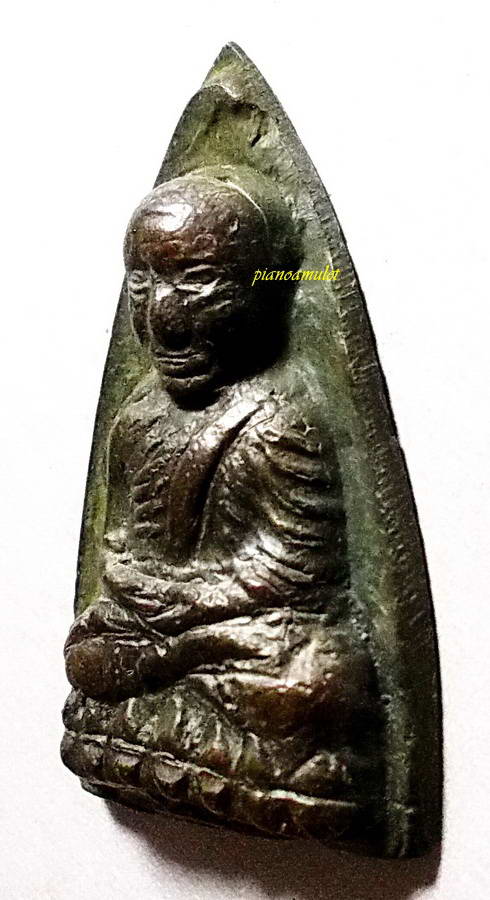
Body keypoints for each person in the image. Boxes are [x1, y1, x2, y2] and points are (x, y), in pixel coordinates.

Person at [62, 165, 380, 836]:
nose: (163, 317)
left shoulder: (279, 420)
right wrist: (149, 606)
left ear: (267, 291)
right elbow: (119, 551)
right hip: (159, 627)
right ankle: (236, 765)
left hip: (239, 638)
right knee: (87, 653)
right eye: (142, 284)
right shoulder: (139, 418)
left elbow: (295, 577)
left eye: (198, 281)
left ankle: (188, 748)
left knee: (319, 679)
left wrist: (185, 633)